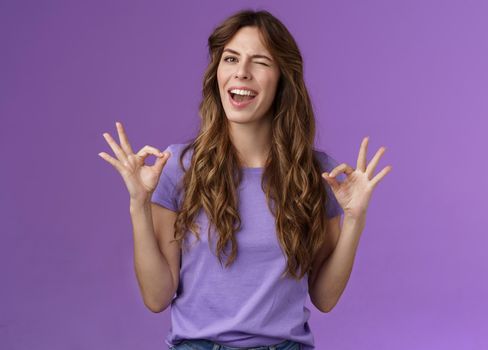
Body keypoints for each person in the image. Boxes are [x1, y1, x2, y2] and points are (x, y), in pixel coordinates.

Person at [98, 9, 392, 350]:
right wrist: (139, 204)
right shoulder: (178, 167)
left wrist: (355, 220)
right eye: (231, 59)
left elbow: (324, 298)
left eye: (260, 62)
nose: (241, 72)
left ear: (283, 78)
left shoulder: (316, 173)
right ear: (216, 73)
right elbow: (156, 296)